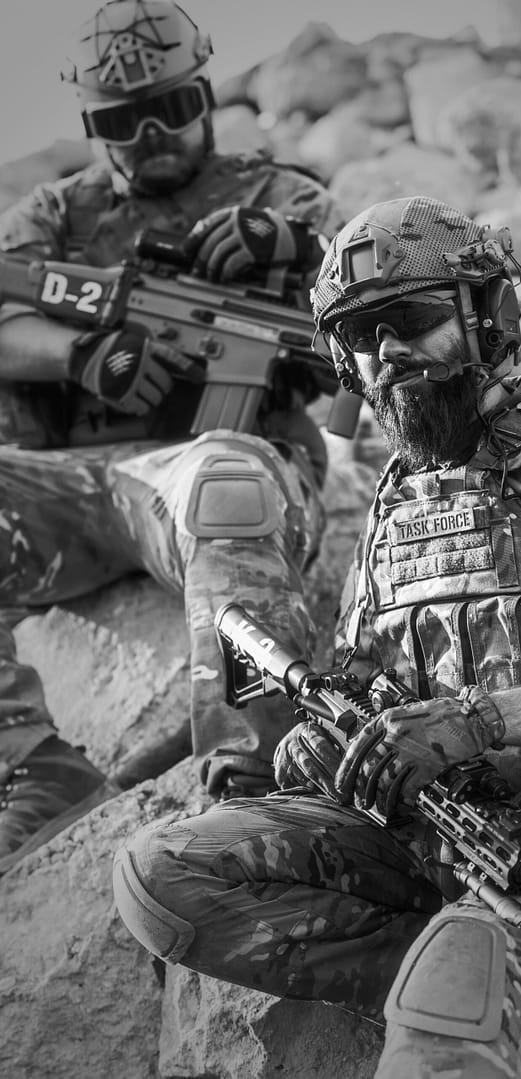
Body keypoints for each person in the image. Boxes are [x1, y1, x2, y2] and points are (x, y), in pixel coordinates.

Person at [111, 196, 521, 1078]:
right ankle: (461, 976)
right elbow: (368, 682)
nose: (388, 353)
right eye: (361, 336)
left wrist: (480, 721)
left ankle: (468, 982)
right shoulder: (399, 500)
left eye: (413, 319)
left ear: (488, 316)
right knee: (159, 876)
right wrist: (328, 749)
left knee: (458, 984)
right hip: (421, 835)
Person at [0, 0, 345, 876]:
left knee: (226, 479)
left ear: (204, 96)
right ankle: (34, 767)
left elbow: (373, 309)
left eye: (172, 108)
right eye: (123, 121)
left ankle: (254, 786)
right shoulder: (53, 216)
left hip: (228, 474)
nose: (151, 135)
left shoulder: (279, 197)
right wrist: (82, 355)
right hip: (74, 486)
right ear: (91, 127)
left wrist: (301, 250)